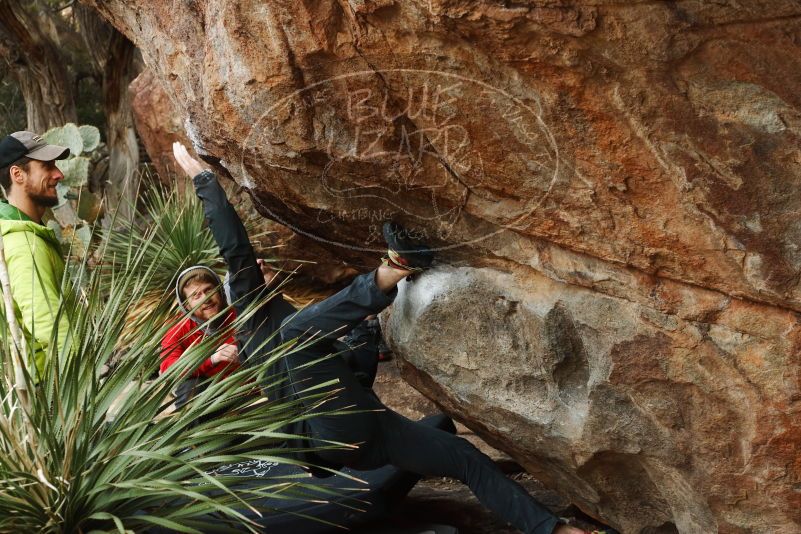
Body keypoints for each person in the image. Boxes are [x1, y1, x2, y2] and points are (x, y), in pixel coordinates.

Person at [172, 142, 589, 534]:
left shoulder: (289, 311)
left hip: (371, 428)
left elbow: (349, 355)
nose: (260, 264)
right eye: (252, 268)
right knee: (297, 334)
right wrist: (203, 181)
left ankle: (554, 529)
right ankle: (396, 266)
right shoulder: (250, 313)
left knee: (462, 456)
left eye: (262, 263)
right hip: (326, 430)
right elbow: (235, 247)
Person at [0, 131, 72, 380]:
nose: (58, 174)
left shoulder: (21, 234)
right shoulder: (23, 244)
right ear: (17, 174)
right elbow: (49, 328)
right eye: (47, 166)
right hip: (51, 396)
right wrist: (87, 381)